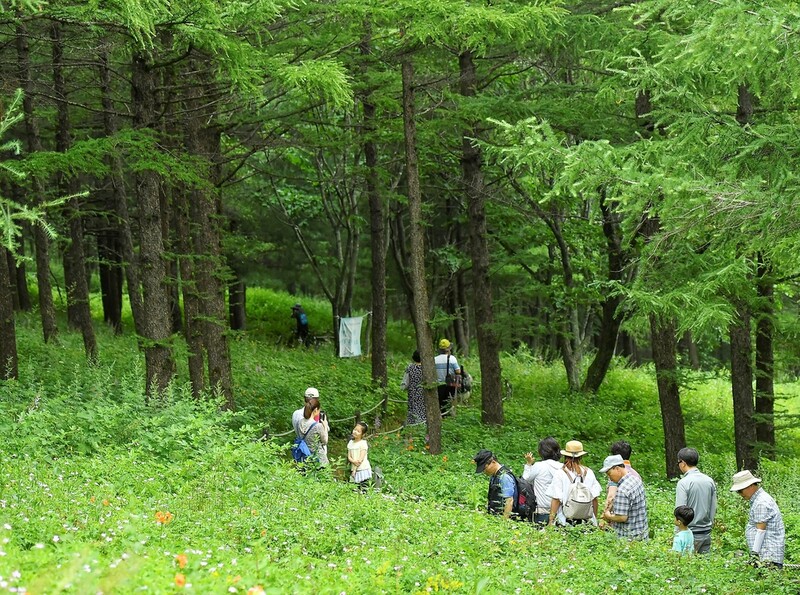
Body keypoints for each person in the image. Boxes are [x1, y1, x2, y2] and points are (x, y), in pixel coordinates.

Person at [730, 470, 785, 568]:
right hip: (766, 555)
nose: (739, 494)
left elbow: (760, 531)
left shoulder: (761, 503)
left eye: (740, 490)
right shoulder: (759, 499)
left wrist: (754, 554)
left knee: (766, 582)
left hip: (767, 557)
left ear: (750, 486)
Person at [546, 440, 601, 526]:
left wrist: (551, 521)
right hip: (587, 521)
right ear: (581, 457)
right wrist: (595, 519)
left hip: (565, 520)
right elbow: (594, 499)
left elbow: (556, 500)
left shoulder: (560, 473)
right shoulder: (589, 472)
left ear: (565, 456)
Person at [675, 447, 717, 553]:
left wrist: (677, 532)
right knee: (705, 566)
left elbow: (680, 511)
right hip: (706, 532)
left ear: (683, 463)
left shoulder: (683, 483)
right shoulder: (709, 481)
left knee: (688, 566)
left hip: (689, 533)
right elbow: (713, 507)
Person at [600, 454, 649, 540]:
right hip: (641, 534)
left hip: (628, 539)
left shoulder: (622, 489)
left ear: (617, 469)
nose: (609, 477)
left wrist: (608, 516)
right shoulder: (635, 479)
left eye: (609, 473)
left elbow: (622, 517)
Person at [522, 437, 563, 525]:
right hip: (560, 512)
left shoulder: (539, 466)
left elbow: (525, 480)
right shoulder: (563, 467)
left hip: (542, 511)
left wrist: (528, 464)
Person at [473, 449, 517, 519]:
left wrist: (504, 522)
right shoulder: (494, 475)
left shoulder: (504, 477)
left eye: (485, 468)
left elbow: (509, 501)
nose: (484, 471)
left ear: (493, 462)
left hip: (504, 521)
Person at [603, 440, 642, 518]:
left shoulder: (615, 473)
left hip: (618, 520)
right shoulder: (636, 475)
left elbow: (611, 497)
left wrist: (605, 516)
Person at [297, 396, 329, 466]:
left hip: (305, 457)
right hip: (318, 459)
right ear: (316, 410)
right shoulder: (317, 426)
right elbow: (325, 441)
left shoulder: (300, 422)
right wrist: (325, 426)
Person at [434, 339, 461, 413]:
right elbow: (458, 371)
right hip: (450, 384)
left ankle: (441, 416)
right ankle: (449, 417)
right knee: (450, 402)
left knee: (440, 403)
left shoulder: (434, 359)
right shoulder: (452, 358)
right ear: (448, 349)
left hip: (438, 385)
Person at [401, 350, 425, 426]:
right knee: (422, 409)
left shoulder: (410, 367)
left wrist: (403, 388)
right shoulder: (426, 368)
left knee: (412, 408)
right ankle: (422, 424)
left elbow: (405, 381)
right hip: (423, 392)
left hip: (412, 393)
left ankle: (412, 425)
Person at [347, 422, 372, 490]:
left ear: (362, 434)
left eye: (358, 431)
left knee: (364, 489)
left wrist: (355, 470)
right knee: (354, 490)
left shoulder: (363, 443)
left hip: (362, 469)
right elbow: (349, 456)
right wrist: (353, 462)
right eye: (355, 429)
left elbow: (360, 460)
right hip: (353, 469)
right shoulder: (350, 442)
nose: (355, 432)